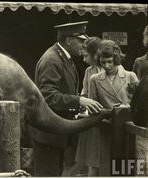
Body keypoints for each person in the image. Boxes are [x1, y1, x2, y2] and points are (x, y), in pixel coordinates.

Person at [31, 21, 103, 176]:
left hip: (56, 133)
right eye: (81, 41)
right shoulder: (52, 59)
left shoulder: (63, 58)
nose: (84, 45)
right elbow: (48, 96)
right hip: (48, 135)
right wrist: (79, 101)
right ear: (69, 40)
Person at [85, 40, 138, 176]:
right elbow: (93, 108)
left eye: (110, 61)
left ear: (117, 59)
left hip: (126, 130)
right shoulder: (94, 79)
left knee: (125, 168)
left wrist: (125, 109)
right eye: (103, 63)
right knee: (105, 168)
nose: (107, 66)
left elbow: (139, 106)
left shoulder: (130, 76)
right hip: (105, 130)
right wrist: (110, 112)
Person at [75, 37, 103, 175]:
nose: (84, 60)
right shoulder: (88, 72)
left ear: (95, 54)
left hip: (105, 119)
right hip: (92, 120)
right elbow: (85, 94)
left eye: (86, 56)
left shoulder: (109, 69)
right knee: (92, 161)